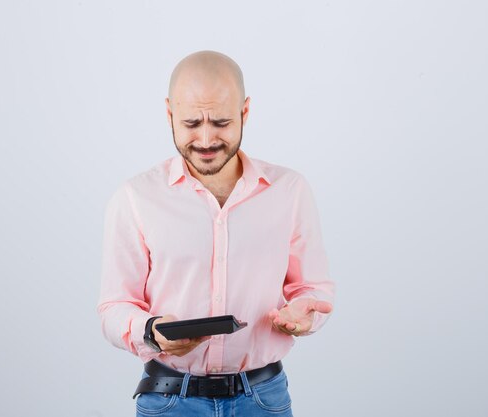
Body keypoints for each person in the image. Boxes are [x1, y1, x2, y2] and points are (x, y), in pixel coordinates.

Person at [97, 50, 335, 417]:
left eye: (221, 122)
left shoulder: (290, 191)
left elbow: (313, 289)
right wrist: (151, 331)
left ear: (245, 112)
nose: (206, 139)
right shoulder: (135, 197)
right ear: (169, 113)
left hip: (263, 398)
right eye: (191, 123)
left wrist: (308, 315)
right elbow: (114, 307)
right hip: (169, 400)